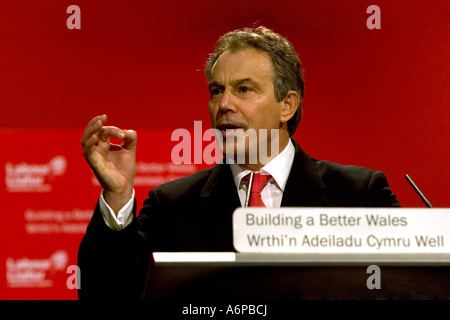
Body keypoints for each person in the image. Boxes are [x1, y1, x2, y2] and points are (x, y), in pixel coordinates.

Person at [78, 26, 401, 300]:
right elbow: (109, 295)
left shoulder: (358, 195)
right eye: (216, 91)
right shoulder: (174, 205)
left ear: (286, 106)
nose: (224, 104)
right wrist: (118, 196)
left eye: (244, 89)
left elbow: (402, 289)